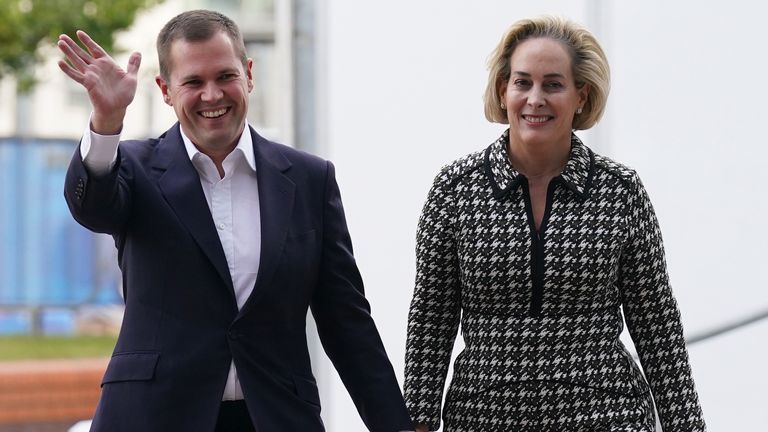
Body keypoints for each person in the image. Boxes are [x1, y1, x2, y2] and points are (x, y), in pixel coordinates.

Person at [58, 9, 413, 432]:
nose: (212, 95)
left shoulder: (309, 179)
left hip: (275, 417)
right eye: (193, 82)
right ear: (165, 90)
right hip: (155, 416)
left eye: (225, 76)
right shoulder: (133, 168)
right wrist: (106, 123)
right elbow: (93, 208)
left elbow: (346, 322)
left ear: (249, 74)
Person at [403, 15, 706, 432]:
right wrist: (416, 421)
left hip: (605, 415)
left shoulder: (620, 191)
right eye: (522, 82)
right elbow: (431, 321)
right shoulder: (455, 190)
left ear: (581, 96)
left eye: (553, 84)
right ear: (502, 90)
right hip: (484, 417)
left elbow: (657, 326)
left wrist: (686, 425)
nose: (535, 98)